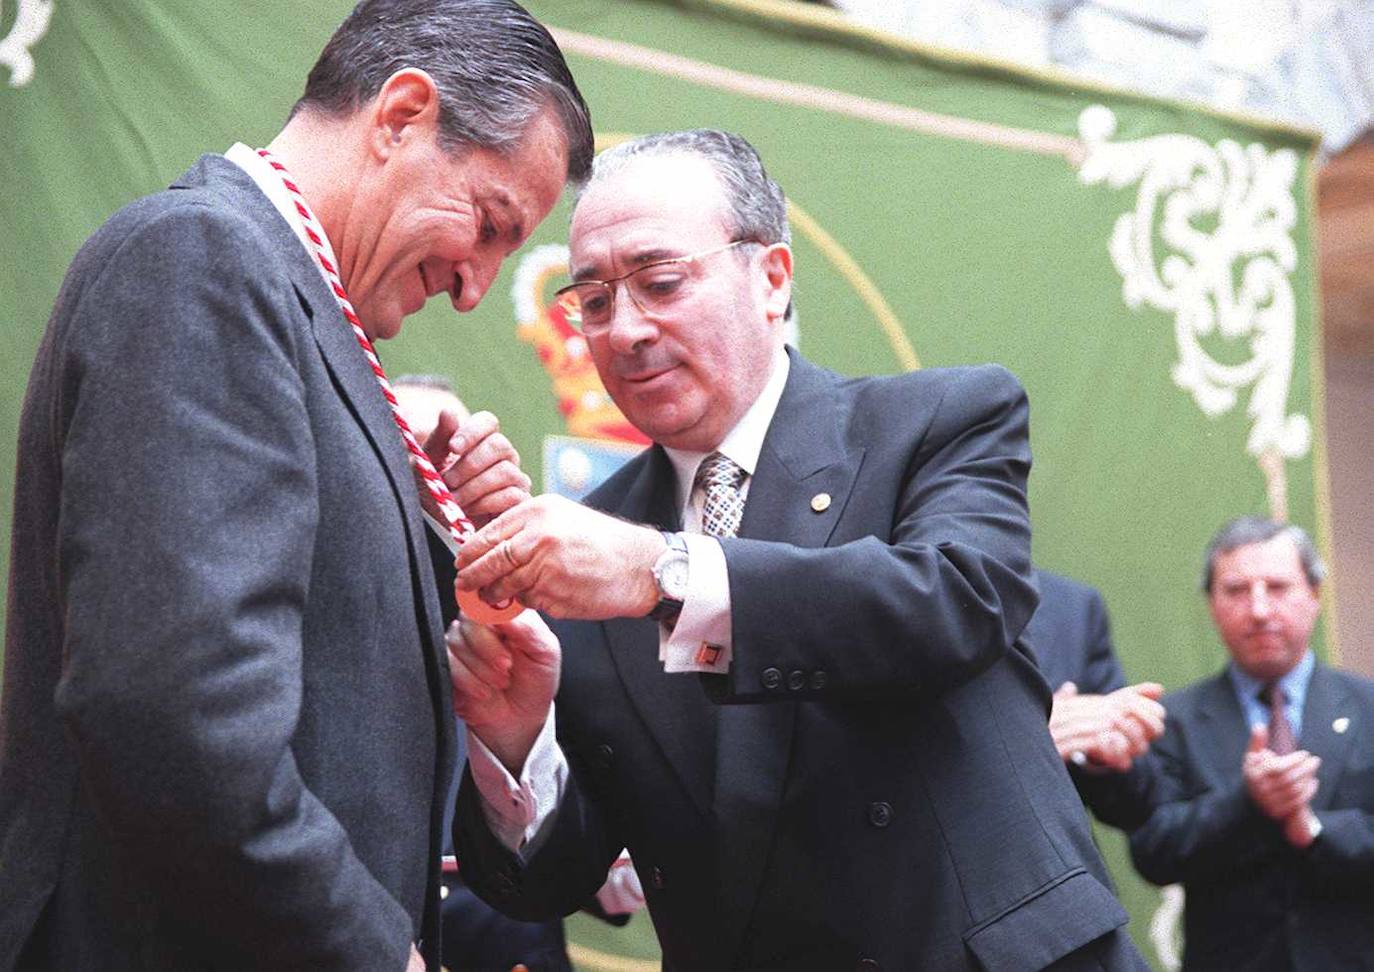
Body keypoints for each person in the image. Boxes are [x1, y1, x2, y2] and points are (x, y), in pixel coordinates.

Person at [444, 129, 1145, 970]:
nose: (624, 330)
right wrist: (515, 742)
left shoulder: (936, 421)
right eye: (593, 302)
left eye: (660, 283)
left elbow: (957, 601)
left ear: (770, 279)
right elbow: (546, 884)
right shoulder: (592, 545)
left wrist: (662, 574)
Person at [0, 1, 592, 968]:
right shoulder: (204, 260)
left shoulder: (293, 313)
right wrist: (373, 953)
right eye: (488, 225)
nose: (476, 285)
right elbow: (177, 724)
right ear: (401, 115)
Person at [392, 375, 642, 972]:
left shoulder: (538, 649)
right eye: (420, 455)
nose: (442, 475)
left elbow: (591, 866)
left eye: (457, 454)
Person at [1129, 517, 1374, 970]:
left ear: (1315, 595)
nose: (1259, 610)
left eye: (1277, 587)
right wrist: (1245, 802)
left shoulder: (1368, 707)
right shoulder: (1175, 720)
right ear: (1212, 604)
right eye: (1237, 591)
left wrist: (1314, 829)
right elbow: (1152, 850)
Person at [1027, 568, 1164, 830]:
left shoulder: (1071, 606)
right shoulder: (927, 596)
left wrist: (1101, 752)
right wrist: (1029, 739)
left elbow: (1139, 804)